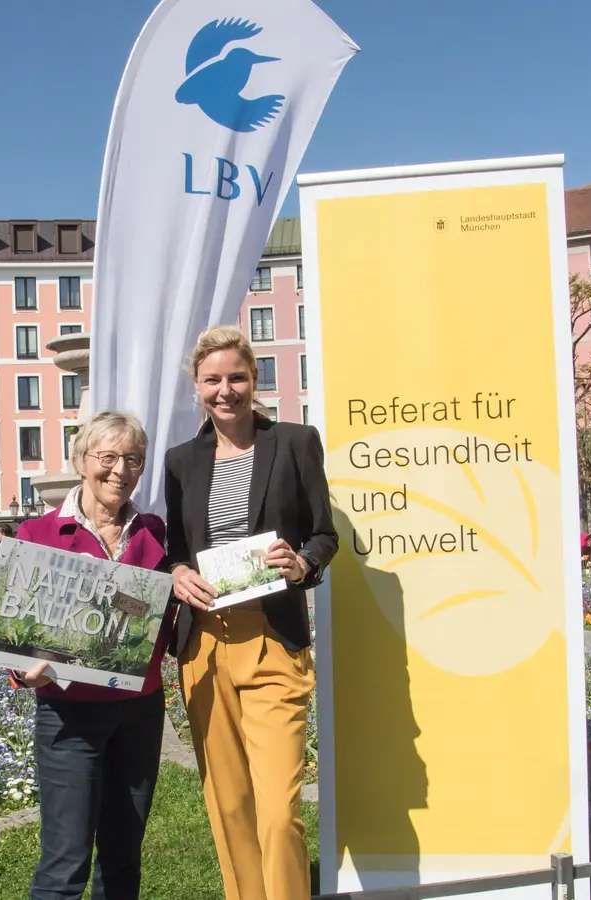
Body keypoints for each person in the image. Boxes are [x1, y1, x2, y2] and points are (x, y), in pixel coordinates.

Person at [163, 325, 337, 900]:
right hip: (205, 647)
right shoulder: (181, 461)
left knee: (278, 808)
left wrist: (302, 564)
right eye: (212, 380)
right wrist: (177, 573)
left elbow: (323, 535)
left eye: (237, 376)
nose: (225, 390)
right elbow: (175, 551)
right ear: (197, 386)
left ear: (254, 379)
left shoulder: (294, 441)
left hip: (273, 640)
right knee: (230, 804)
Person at [11, 411, 175, 900]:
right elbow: (12, 631)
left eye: (133, 460)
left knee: (124, 857)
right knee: (65, 862)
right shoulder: (37, 534)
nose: (120, 471)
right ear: (82, 461)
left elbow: (159, 617)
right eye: (107, 458)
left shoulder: (154, 533)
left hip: (139, 711)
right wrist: (25, 671)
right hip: (69, 715)